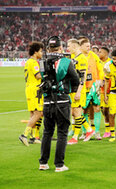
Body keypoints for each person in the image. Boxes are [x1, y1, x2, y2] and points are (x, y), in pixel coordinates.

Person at [39, 36, 80, 172]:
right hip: (62, 101)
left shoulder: (42, 62)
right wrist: (71, 90)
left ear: (49, 48)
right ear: (61, 47)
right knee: (62, 133)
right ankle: (59, 165)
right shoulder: (66, 62)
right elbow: (75, 80)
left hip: (47, 101)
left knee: (47, 132)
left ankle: (43, 163)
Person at [66, 39, 95, 145]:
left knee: (77, 113)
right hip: (73, 89)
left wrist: (79, 91)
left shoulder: (81, 58)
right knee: (74, 113)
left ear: (74, 46)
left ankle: (75, 137)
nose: (67, 48)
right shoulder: (74, 58)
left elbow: (82, 77)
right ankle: (89, 130)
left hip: (78, 89)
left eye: (69, 46)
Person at [19, 41, 44, 146]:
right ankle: (24, 135)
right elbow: (38, 76)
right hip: (35, 90)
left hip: (29, 88)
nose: (42, 53)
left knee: (33, 114)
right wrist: (48, 75)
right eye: (41, 51)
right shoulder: (33, 62)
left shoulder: (28, 62)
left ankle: (33, 137)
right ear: (35, 52)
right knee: (39, 113)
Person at [98, 47, 112, 138]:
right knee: (104, 110)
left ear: (106, 54)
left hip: (111, 90)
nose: (98, 53)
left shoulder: (111, 62)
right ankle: (107, 130)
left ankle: (111, 129)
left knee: (111, 111)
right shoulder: (98, 62)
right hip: (102, 91)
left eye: (100, 52)